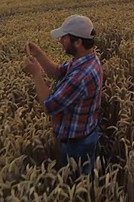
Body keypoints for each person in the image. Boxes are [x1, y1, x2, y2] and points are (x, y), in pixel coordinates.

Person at [23, 14, 103, 175]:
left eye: (64, 38)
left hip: (77, 144)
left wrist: (36, 74)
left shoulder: (81, 76)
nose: (60, 41)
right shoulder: (85, 60)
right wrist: (39, 54)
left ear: (78, 42)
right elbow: (57, 72)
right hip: (81, 136)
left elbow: (49, 106)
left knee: (79, 184)